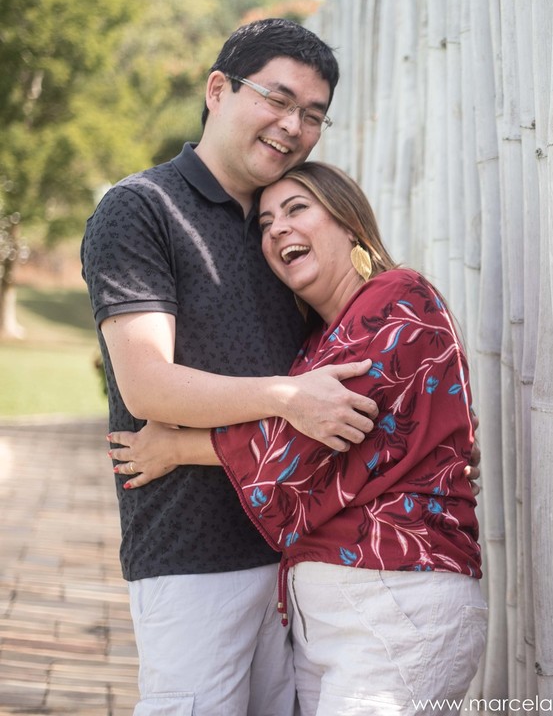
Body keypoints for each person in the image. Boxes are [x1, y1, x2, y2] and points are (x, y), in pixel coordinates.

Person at [83, 18, 386, 714]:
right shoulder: (141, 209)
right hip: (194, 556)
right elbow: (148, 384)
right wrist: (286, 397)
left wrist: (428, 441)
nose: (292, 125)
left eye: (313, 115)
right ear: (218, 89)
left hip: (305, 556)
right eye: (276, 99)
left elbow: (355, 373)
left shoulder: (288, 228)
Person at [109, 162, 486, 715]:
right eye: (265, 223)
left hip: (398, 604)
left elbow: (310, 441)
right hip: (342, 620)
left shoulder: (398, 298)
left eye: (296, 210)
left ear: (350, 223)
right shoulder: (316, 342)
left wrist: (179, 447)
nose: (277, 230)